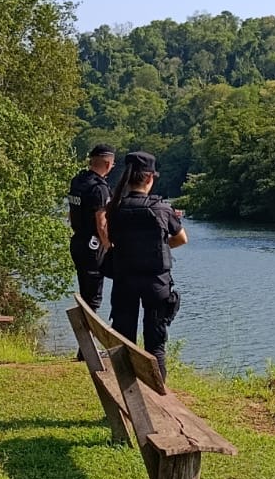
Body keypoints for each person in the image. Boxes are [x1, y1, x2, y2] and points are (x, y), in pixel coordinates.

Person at [106, 150, 187, 381]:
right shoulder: (162, 209)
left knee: (124, 341)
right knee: (155, 346)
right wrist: (160, 247)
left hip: (124, 283)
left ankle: (127, 398)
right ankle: (158, 395)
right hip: (156, 283)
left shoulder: (115, 208)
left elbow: (109, 240)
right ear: (150, 177)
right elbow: (182, 238)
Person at [67, 144, 116, 310]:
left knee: (85, 292)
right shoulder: (99, 188)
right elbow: (101, 224)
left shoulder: (77, 181)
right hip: (93, 246)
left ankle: (86, 330)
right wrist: (109, 246)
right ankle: (89, 333)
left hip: (77, 242)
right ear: (108, 164)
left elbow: (72, 212)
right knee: (93, 299)